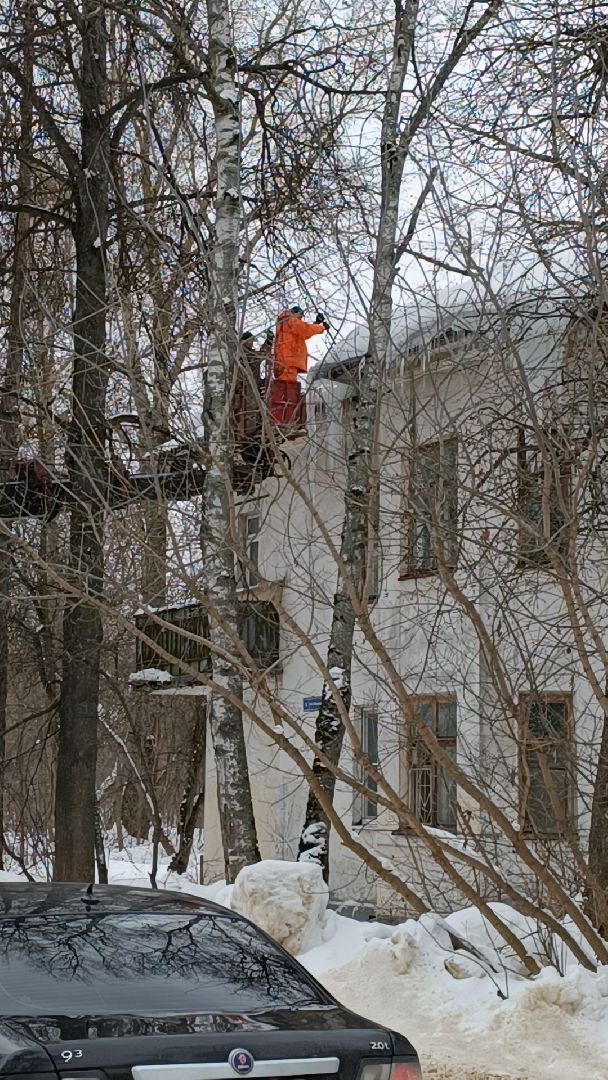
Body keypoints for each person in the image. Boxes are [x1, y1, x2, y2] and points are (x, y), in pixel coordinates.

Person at [270, 306, 328, 429]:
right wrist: (321, 327)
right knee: (287, 392)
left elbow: (302, 334)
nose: (301, 319)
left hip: (286, 360)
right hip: (288, 360)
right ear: (296, 314)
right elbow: (304, 329)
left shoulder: (286, 323)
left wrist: (316, 324)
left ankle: (284, 421)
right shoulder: (289, 319)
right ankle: (284, 421)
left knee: (287, 390)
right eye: (300, 317)